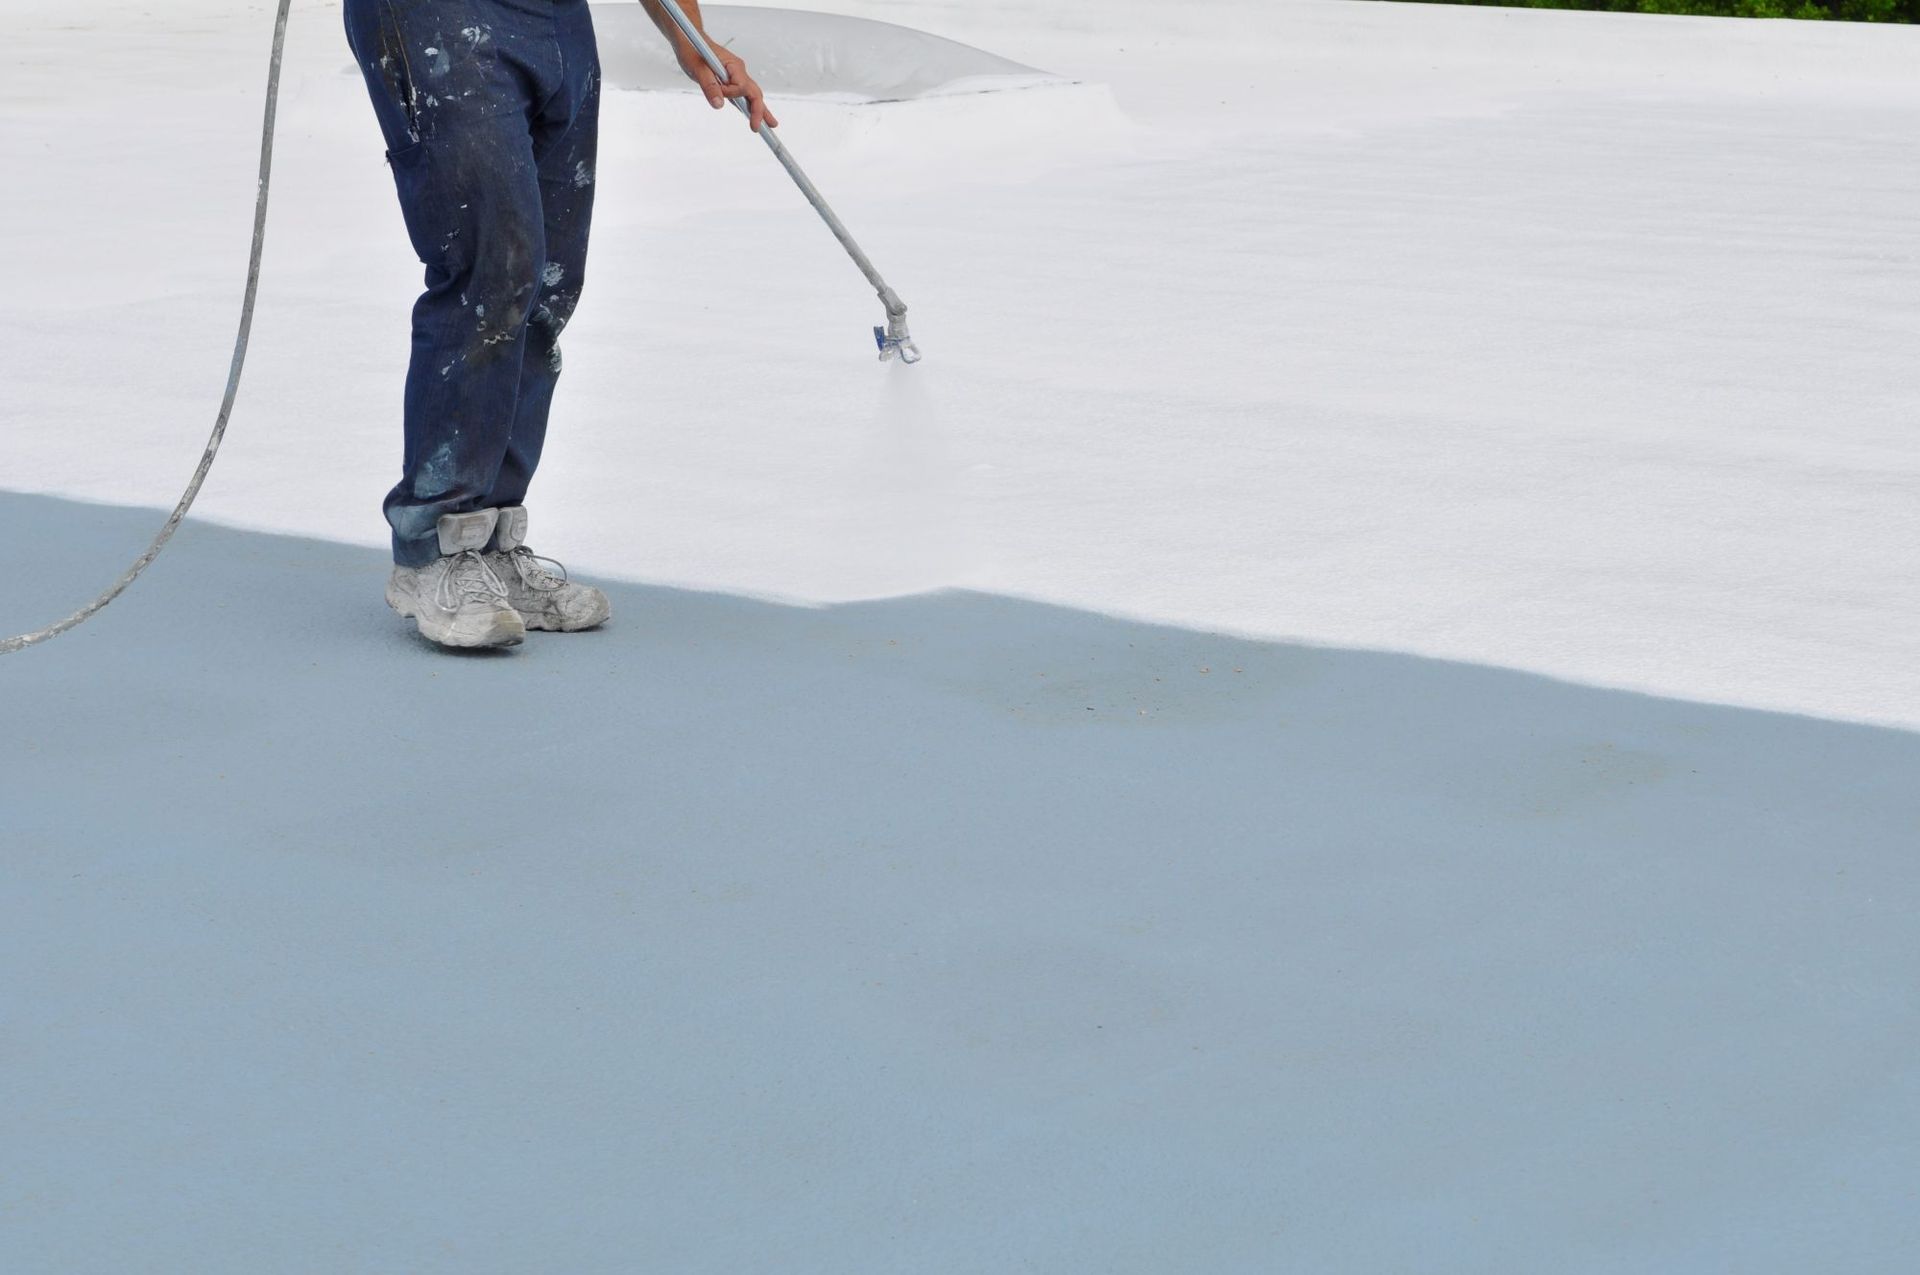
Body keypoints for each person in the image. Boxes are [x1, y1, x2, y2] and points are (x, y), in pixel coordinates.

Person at [342, 0, 776, 648]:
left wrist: (692, 35)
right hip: (436, 15)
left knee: (547, 287)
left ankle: (489, 538)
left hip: (553, 19)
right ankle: (434, 547)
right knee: (492, 270)